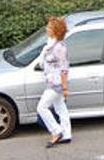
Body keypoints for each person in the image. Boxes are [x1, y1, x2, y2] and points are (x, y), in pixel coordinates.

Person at [37, 16, 71, 148]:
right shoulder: (50, 44)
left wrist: (64, 87)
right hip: (52, 82)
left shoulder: (59, 47)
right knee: (60, 108)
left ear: (55, 31)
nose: (47, 28)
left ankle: (56, 132)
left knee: (41, 107)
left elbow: (64, 69)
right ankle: (67, 134)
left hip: (56, 84)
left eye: (49, 27)